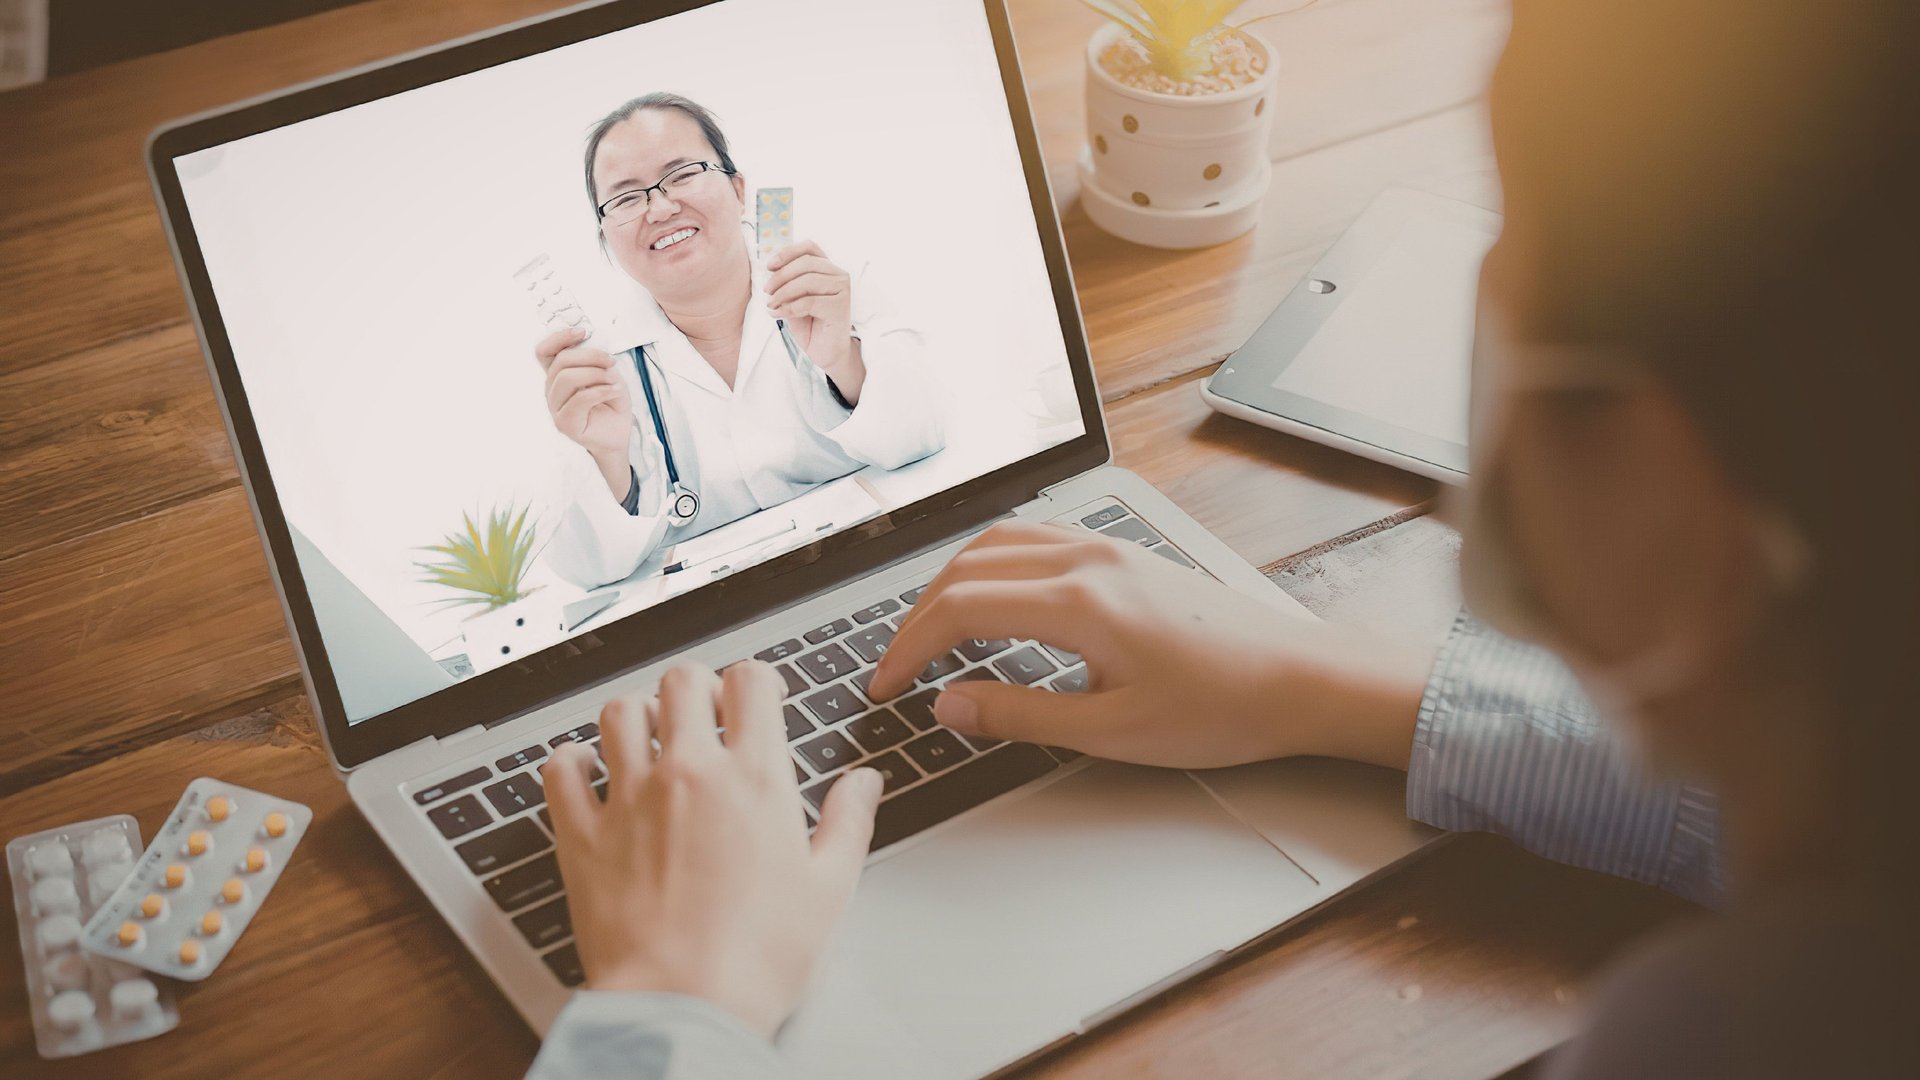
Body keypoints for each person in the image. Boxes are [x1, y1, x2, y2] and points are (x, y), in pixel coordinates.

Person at [527, 0, 1918, 1075]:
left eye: (1500, 266)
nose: (661, 207)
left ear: (1636, 473)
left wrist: (672, 1002)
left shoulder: (1727, 1038)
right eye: (626, 196)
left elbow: (906, 420)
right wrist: (1353, 688)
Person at [539, 93, 947, 588]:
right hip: (723, 618)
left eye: (684, 174)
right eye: (626, 198)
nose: (661, 207)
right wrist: (607, 457)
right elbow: (589, 571)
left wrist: (844, 360)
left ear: (738, 189)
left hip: (888, 571)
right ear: (606, 235)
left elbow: (925, 437)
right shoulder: (596, 372)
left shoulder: (832, 286)